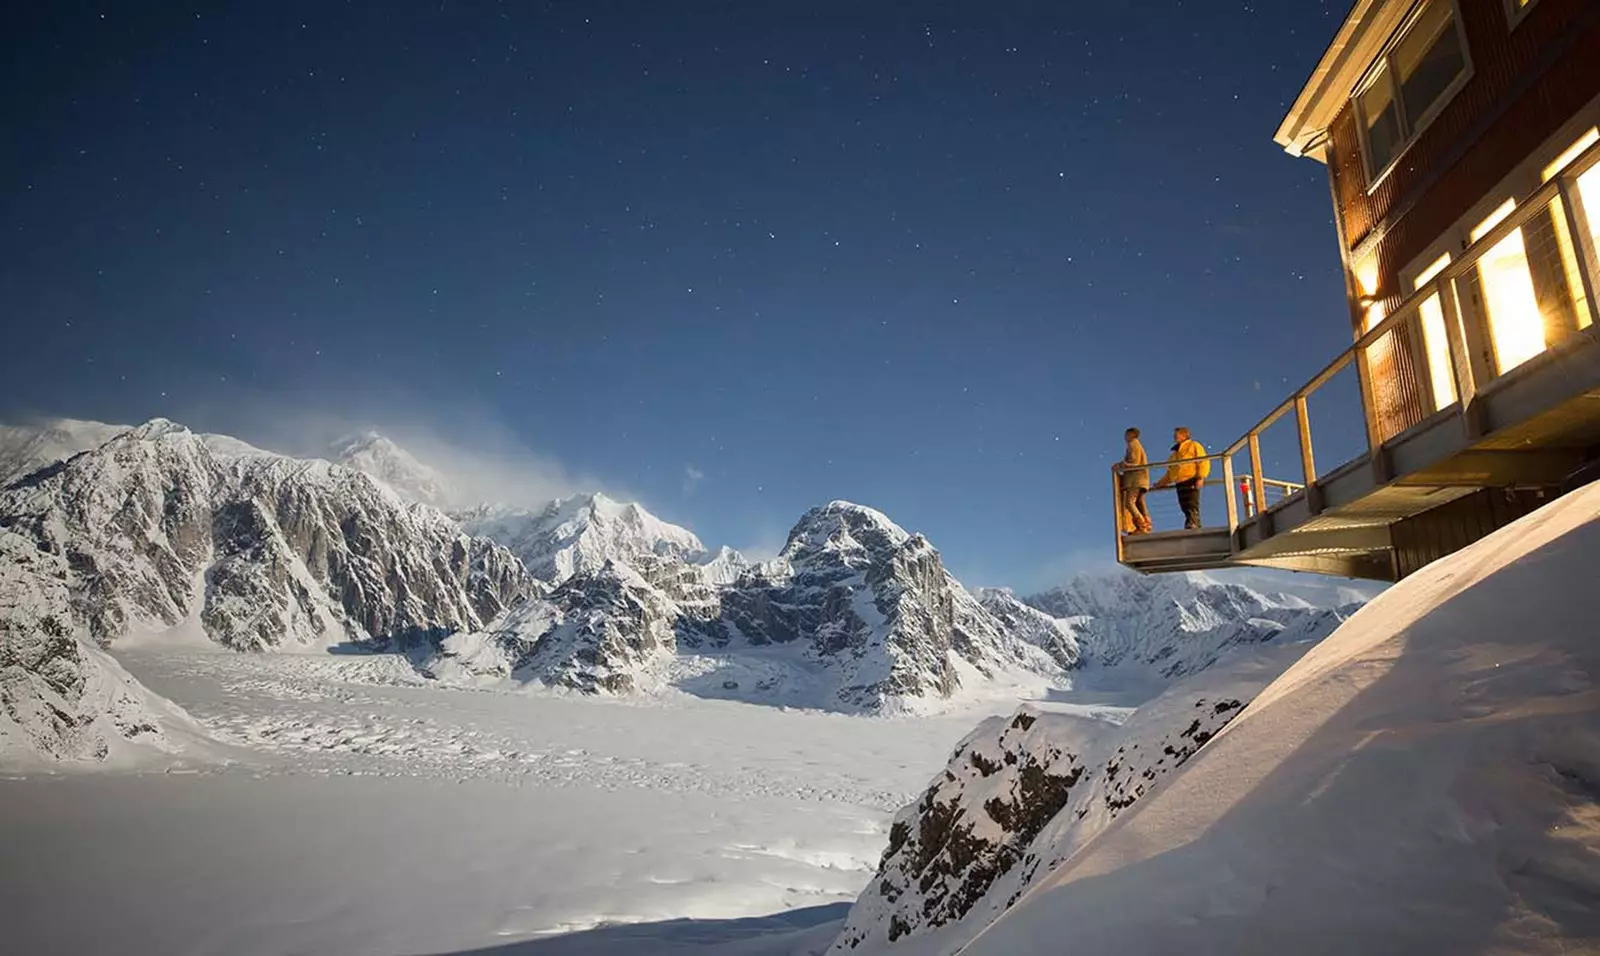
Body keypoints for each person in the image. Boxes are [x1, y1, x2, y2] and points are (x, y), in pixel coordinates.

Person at [1154, 426, 1210, 529]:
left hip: (1191, 479)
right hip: (1180, 482)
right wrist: (1160, 483)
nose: (1175, 437)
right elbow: (1170, 474)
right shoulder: (1174, 455)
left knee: (1192, 503)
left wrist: (1201, 477)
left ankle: (1194, 524)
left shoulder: (1194, 445)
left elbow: (1203, 461)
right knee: (1184, 505)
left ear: (1184, 435)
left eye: (1177, 434)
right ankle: (1190, 523)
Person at [1119, 427, 1151, 534]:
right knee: (1140, 502)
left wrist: (1122, 465)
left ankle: (1141, 524)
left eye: (1126, 435)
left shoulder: (1133, 444)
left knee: (1129, 502)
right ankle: (1147, 522)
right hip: (1142, 479)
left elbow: (1134, 462)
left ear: (1131, 435)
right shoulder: (1137, 445)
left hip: (1135, 479)